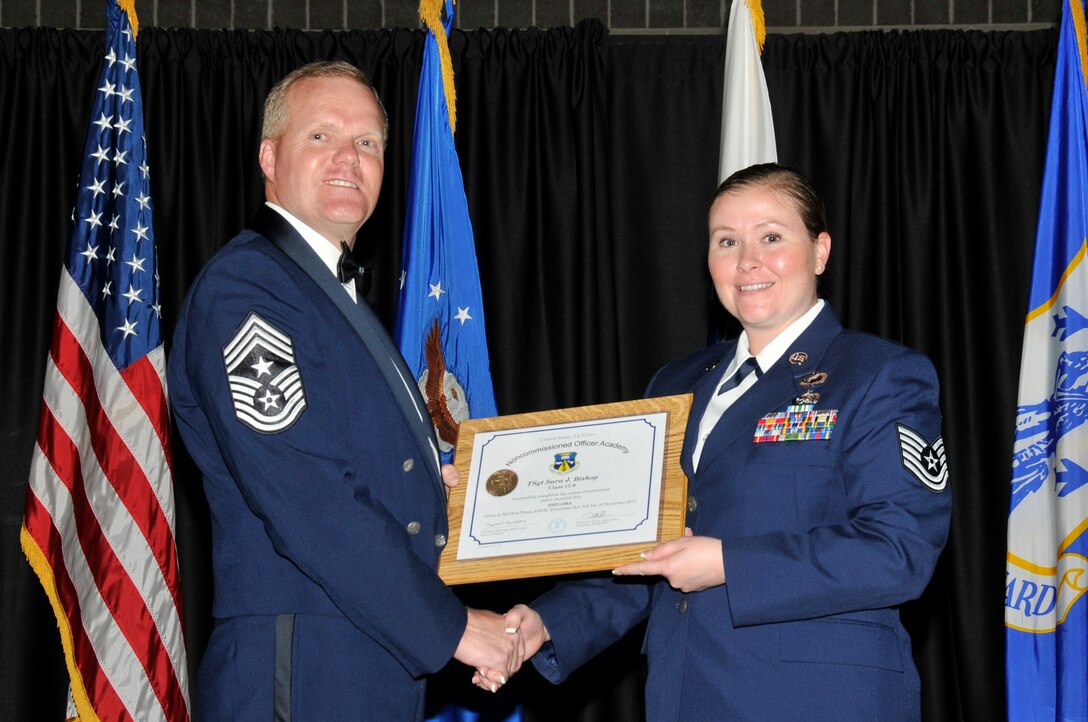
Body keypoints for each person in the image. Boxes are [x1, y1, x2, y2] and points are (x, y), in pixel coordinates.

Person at [499, 163, 952, 720]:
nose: (748, 261)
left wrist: (730, 564)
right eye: (727, 241)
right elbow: (647, 549)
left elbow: (899, 551)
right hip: (684, 693)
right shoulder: (674, 385)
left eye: (771, 237)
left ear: (820, 251)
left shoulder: (877, 374)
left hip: (819, 702)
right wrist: (546, 623)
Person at [168, 61, 521, 721]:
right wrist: (451, 629)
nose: (348, 159)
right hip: (304, 665)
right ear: (269, 156)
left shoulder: (328, 294)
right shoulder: (249, 293)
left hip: (363, 652)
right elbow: (305, 493)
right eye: (322, 137)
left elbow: (363, 470)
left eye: (367, 143)